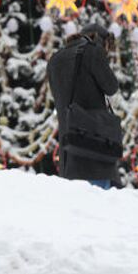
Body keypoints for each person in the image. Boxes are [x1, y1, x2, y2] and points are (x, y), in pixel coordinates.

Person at [47, 22, 120, 189]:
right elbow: (111, 87)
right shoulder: (93, 51)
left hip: (68, 147)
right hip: (94, 143)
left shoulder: (55, 59)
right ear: (101, 40)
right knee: (101, 202)